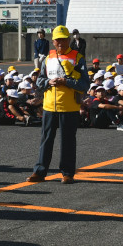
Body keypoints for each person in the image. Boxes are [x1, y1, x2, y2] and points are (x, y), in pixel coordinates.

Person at [27, 25, 88, 183]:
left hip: (69, 106)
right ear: (53, 41)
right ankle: (39, 172)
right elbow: (40, 80)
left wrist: (66, 82)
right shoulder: (48, 58)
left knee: (67, 140)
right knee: (46, 139)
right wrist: (49, 81)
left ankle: (67, 173)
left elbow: (84, 84)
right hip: (49, 105)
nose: (60, 42)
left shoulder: (78, 57)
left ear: (68, 40)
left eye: (63, 39)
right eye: (57, 40)